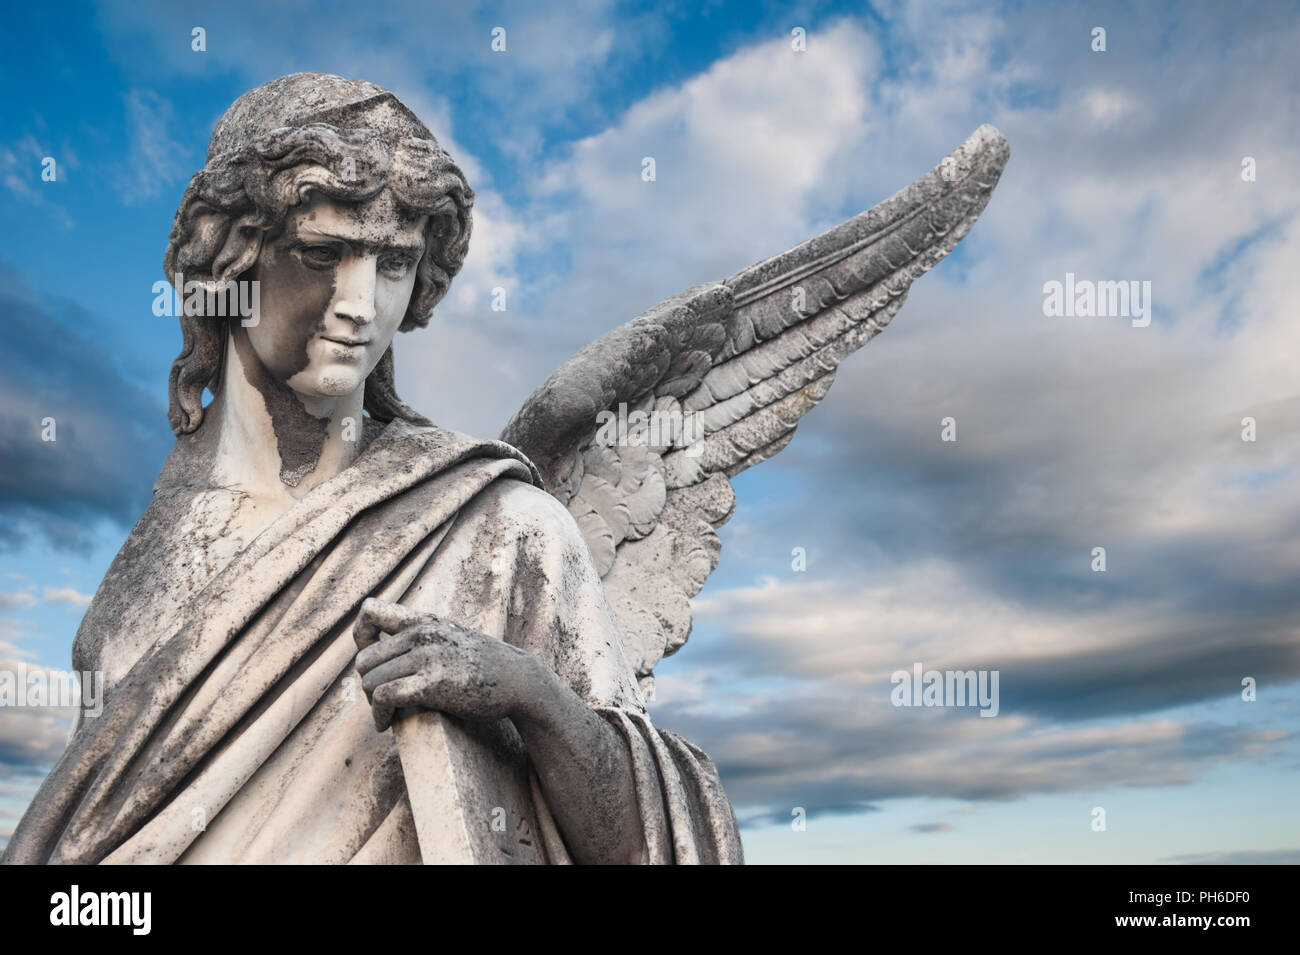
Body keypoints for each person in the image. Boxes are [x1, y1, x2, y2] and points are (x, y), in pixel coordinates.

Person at [1, 73, 743, 865]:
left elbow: (647, 847)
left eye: (394, 263)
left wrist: (528, 694)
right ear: (229, 260)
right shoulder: (144, 571)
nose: (361, 301)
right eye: (324, 252)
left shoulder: (501, 531)